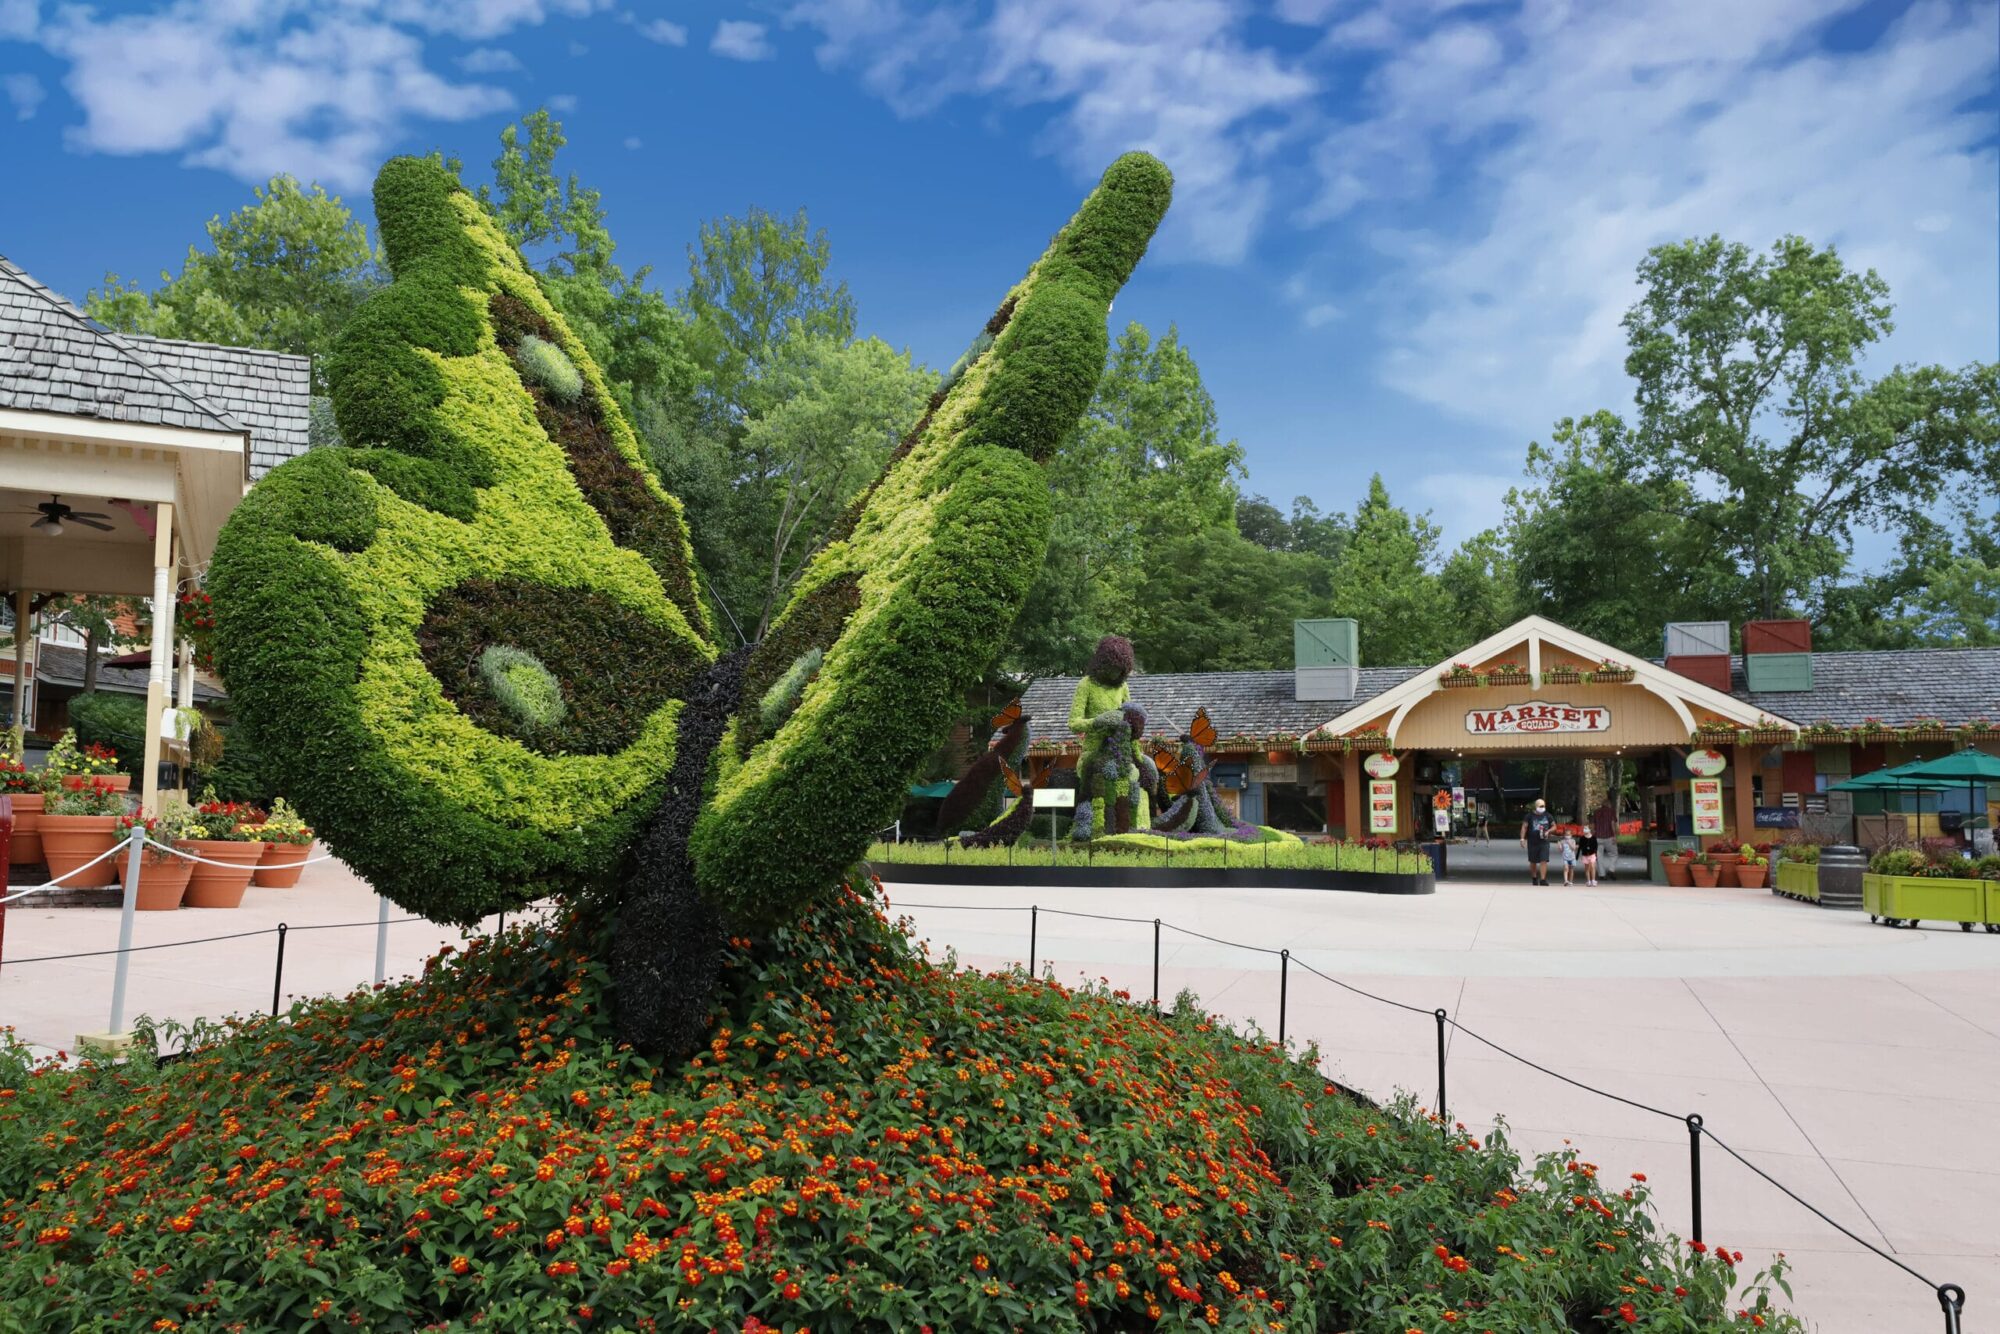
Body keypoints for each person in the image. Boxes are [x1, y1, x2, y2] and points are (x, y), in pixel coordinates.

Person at [1520, 798, 1553, 885]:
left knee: (1544, 860)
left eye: (1543, 806)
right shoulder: (1529, 816)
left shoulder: (1548, 815)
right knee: (1533, 861)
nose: (1542, 807)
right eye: (1540, 806)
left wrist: (1549, 831)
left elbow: (1554, 826)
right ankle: (1534, 877)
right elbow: (1524, 827)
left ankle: (1543, 879)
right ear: (1536, 806)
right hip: (1533, 841)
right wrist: (1522, 839)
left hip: (1544, 841)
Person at [1592, 799, 1619, 880]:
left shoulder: (1596, 812)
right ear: (1608, 804)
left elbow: (1593, 825)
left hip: (1598, 837)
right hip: (1609, 837)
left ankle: (1602, 874)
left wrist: (1593, 836)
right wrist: (1614, 836)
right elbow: (1612, 824)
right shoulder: (1611, 812)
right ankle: (1611, 869)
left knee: (1599, 856)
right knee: (1614, 854)